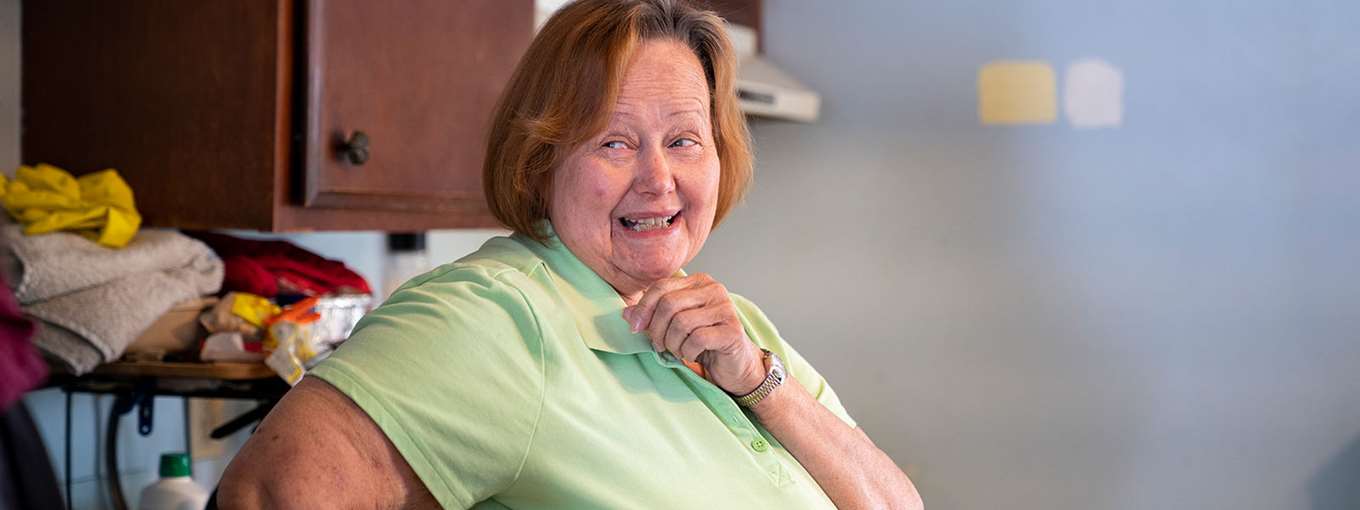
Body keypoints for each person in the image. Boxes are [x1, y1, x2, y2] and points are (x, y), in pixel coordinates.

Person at [218, 1, 923, 508]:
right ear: (539, 162)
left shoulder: (736, 328)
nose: (659, 180)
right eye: (614, 143)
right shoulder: (496, 318)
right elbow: (267, 494)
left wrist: (759, 384)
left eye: (684, 140)